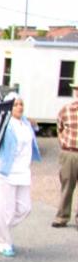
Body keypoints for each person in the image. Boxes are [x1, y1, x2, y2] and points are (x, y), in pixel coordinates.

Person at [0, 93, 40, 257]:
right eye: (15, 105)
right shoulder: (3, 124)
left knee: (25, 208)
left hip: (23, 172)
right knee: (5, 211)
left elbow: (34, 133)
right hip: (4, 172)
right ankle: (2, 242)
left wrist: (34, 124)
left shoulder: (25, 123)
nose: (19, 107)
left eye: (21, 104)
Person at [52, 81, 78, 229]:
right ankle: (62, 217)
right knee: (67, 185)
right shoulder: (66, 110)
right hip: (69, 152)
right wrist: (63, 143)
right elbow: (59, 128)